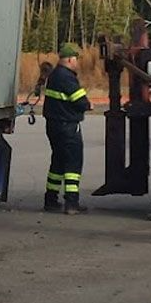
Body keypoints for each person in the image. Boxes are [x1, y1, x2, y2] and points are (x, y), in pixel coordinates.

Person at [42, 42, 92, 213]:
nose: (77, 62)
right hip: (68, 126)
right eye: (76, 59)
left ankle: (50, 199)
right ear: (70, 59)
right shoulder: (67, 77)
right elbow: (80, 101)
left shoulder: (54, 75)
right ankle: (71, 203)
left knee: (57, 162)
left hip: (53, 126)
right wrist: (87, 105)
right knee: (73, 164)